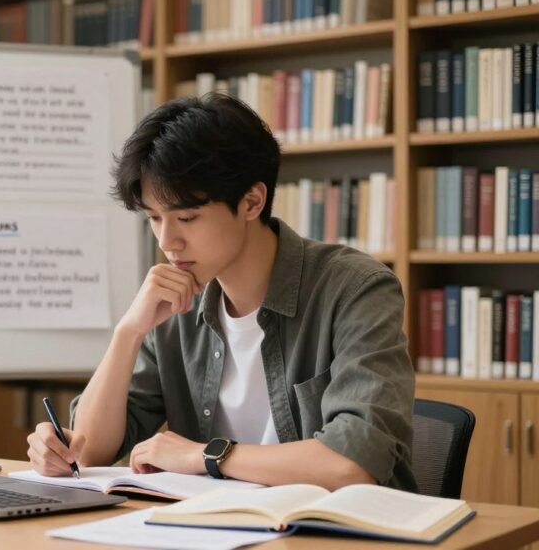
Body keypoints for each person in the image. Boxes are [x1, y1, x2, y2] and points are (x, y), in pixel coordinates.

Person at [26, 94, 416, 491]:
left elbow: (354, 463)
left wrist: (205, 456)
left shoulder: (355, 289)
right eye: (154, 219)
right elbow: (90, 452)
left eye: (187, 218)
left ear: (251, 201)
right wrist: (128, 333)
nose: (168, 241)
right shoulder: (173, 300)